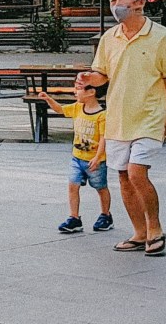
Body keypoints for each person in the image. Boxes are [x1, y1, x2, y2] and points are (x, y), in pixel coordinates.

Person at [77, 0, 166, 257]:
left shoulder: (160, 36)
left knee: (137, 172)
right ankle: (139, 233)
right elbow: (102, 74)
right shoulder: (109, 38)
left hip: (149, 115)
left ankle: (156, 229)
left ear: (139, 2)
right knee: (123, 176)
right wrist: (89, 77)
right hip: (118, 117)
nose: (116, 5)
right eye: (112, 0)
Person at [38, 80, 112, 234]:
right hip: (77, 158)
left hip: (94, 160)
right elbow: (60, 110)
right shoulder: (78, 108)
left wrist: (98, 157)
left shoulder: (102, 115)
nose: (75, 92)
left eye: (78, 89)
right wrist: (48, 99)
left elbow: (104, 138)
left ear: (91, 92)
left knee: (101, 187)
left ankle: (106, 215)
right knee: (73, 186)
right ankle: (74, 217)